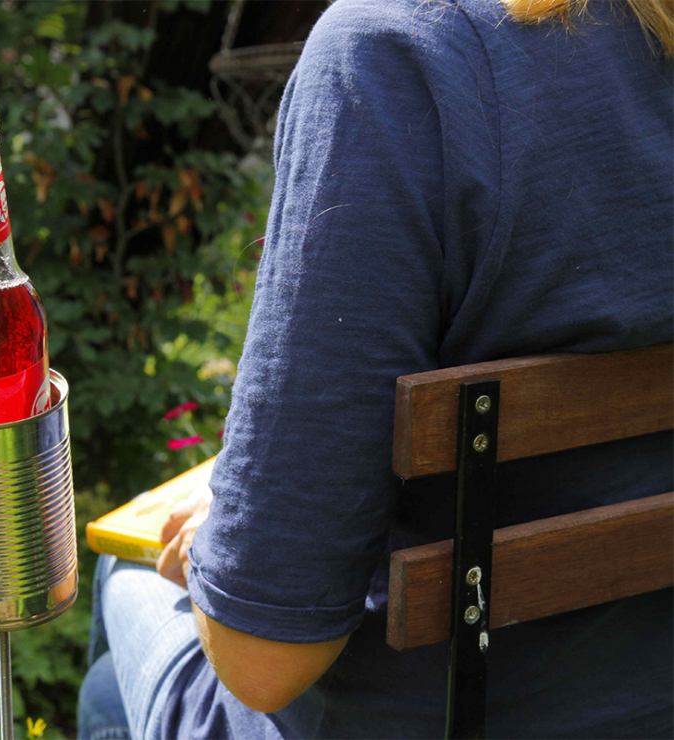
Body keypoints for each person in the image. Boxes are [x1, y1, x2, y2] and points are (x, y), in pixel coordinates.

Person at [78, 0, 674, 737]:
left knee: (124, 585)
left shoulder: (400, 57)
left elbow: (263, 659)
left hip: (442, 716)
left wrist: (232, 534)